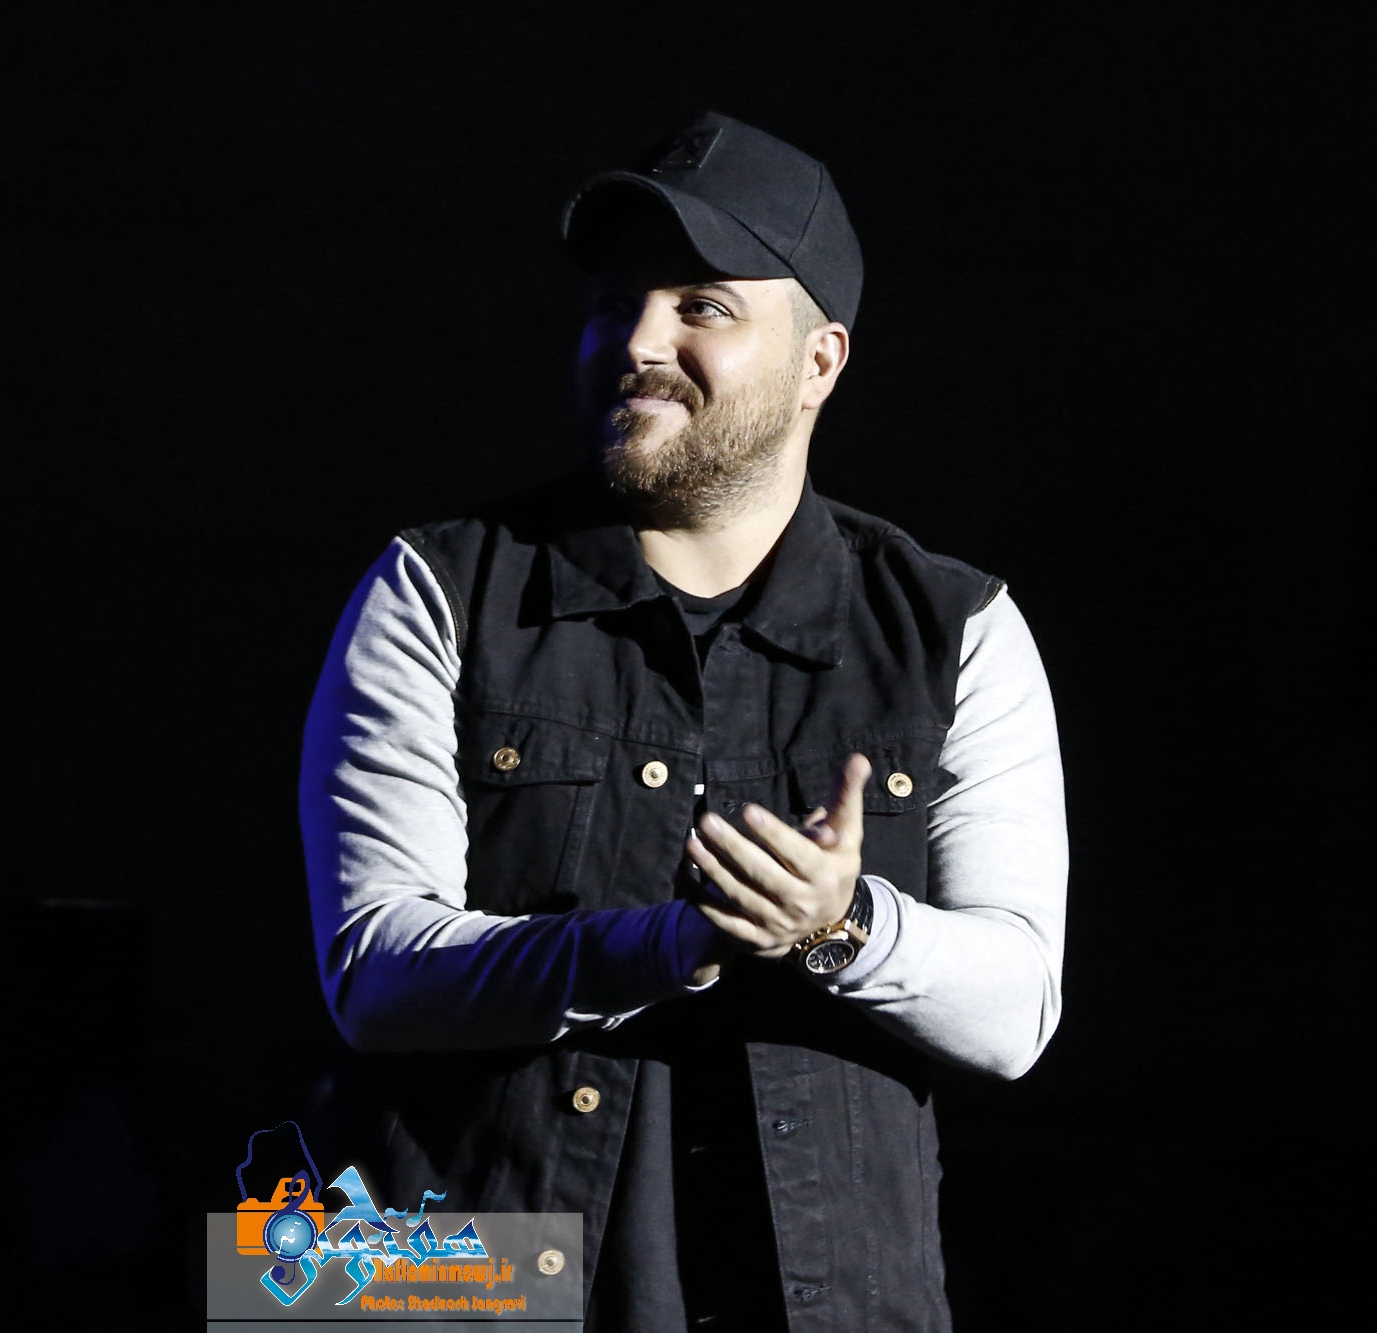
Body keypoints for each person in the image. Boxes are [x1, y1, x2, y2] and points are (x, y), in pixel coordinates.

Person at [298, 110, 1067, 1331]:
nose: (638, 341)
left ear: (819, 361)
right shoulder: (432, 585)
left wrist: (839, 926)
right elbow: (375, 976)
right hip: (446, 1293)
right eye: (618, 302)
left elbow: (1016, 1010)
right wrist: (659, 946)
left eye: (701, 305)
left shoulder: (957, 625)